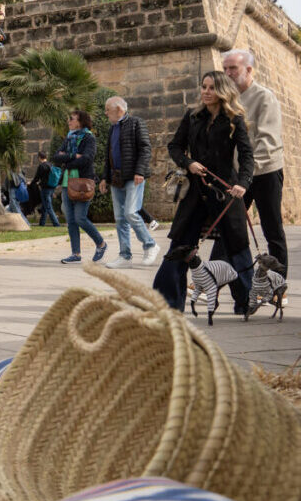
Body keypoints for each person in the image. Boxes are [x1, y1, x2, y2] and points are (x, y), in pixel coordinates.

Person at [154, 71, 254, 311]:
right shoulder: (192, 116)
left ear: (222, 91)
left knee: (237, 244)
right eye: (204, 87)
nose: (206, 92)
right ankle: (167, 302)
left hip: (225, 190)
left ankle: (246, 300)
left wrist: (243, 182)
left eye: (211, 87)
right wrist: (188, 163)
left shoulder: (234, 119)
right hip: (195, 190)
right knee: (180, 243)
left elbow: (247, 154)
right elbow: (175, 146)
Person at [222, 49, 287, 277]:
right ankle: (212, 277)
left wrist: (246, 175)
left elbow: (267, 141)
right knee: (228, 225)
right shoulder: (229, 100)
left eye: (233, 68)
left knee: (272, 229)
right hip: (240, 175)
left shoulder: (264, 97)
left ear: (249, 70)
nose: (228, 73)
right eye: (225, 68)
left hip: (265, 171)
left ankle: (279, 284)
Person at [100, 96, 159, 269]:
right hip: (116, 178)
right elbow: (108, 156)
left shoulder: (136, 123)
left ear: (119, 109)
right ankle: (125, 256)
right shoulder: (112, 129)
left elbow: (145, 148)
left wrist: (140, 171)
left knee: (131, 213)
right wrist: (104, 177)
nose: (105, 113)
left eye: (107, 109)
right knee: (120, 218)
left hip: (134, 177)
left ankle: (150, 245)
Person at [51, 110, 107, 265]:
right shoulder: (69, 137)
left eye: (72, 119)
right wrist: (73, 157)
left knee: (80, 217)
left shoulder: (89, 138)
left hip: (82, 182)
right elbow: (56, 157)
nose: (69, 121)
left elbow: (87, 159)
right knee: (71, 220)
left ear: (80, 121)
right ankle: (75, 254)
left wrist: (67, 160)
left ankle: (101, 244)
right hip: (66, 183)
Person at [34, 152, 61, 227]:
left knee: (48, 207)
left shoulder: (42, 166)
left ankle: (56, 224)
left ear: (39, 157)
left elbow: (37, 177)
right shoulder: (50, 165)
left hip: (45, 189)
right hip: (51, 188)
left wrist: (32, 183)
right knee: (45, 207)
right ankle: (42, 223)